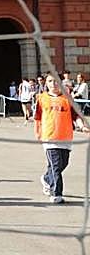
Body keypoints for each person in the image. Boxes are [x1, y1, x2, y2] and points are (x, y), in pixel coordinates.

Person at [34, 72, 89, 204]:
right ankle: (56, 194)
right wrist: (38, 133)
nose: (53, 84)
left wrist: (82, 126)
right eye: (50, 81)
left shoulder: (67, 98)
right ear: (46, 84)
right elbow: (37, 118)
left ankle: (47, 179)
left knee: (63, 163)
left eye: (56, 81)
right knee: (57, 166)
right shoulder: (42, 98)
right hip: (49, 136)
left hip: (65, 136)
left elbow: (75, 116)